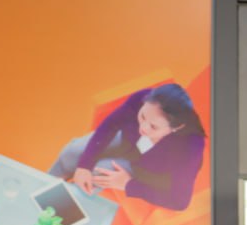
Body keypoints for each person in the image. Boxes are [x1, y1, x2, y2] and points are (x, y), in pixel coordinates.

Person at [49, 82, 206, 211]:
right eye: (142, 116)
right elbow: (110, 125)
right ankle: (44, 187)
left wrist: (129, 184)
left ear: (176, 128)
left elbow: (179, 201)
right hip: (128, 143)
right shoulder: (142, 98)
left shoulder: (190, 147)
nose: (143, 128)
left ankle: (57, 211)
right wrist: (84, 165)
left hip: (148, 169)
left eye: (153, 127)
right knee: (72, 153)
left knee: (99, 173)